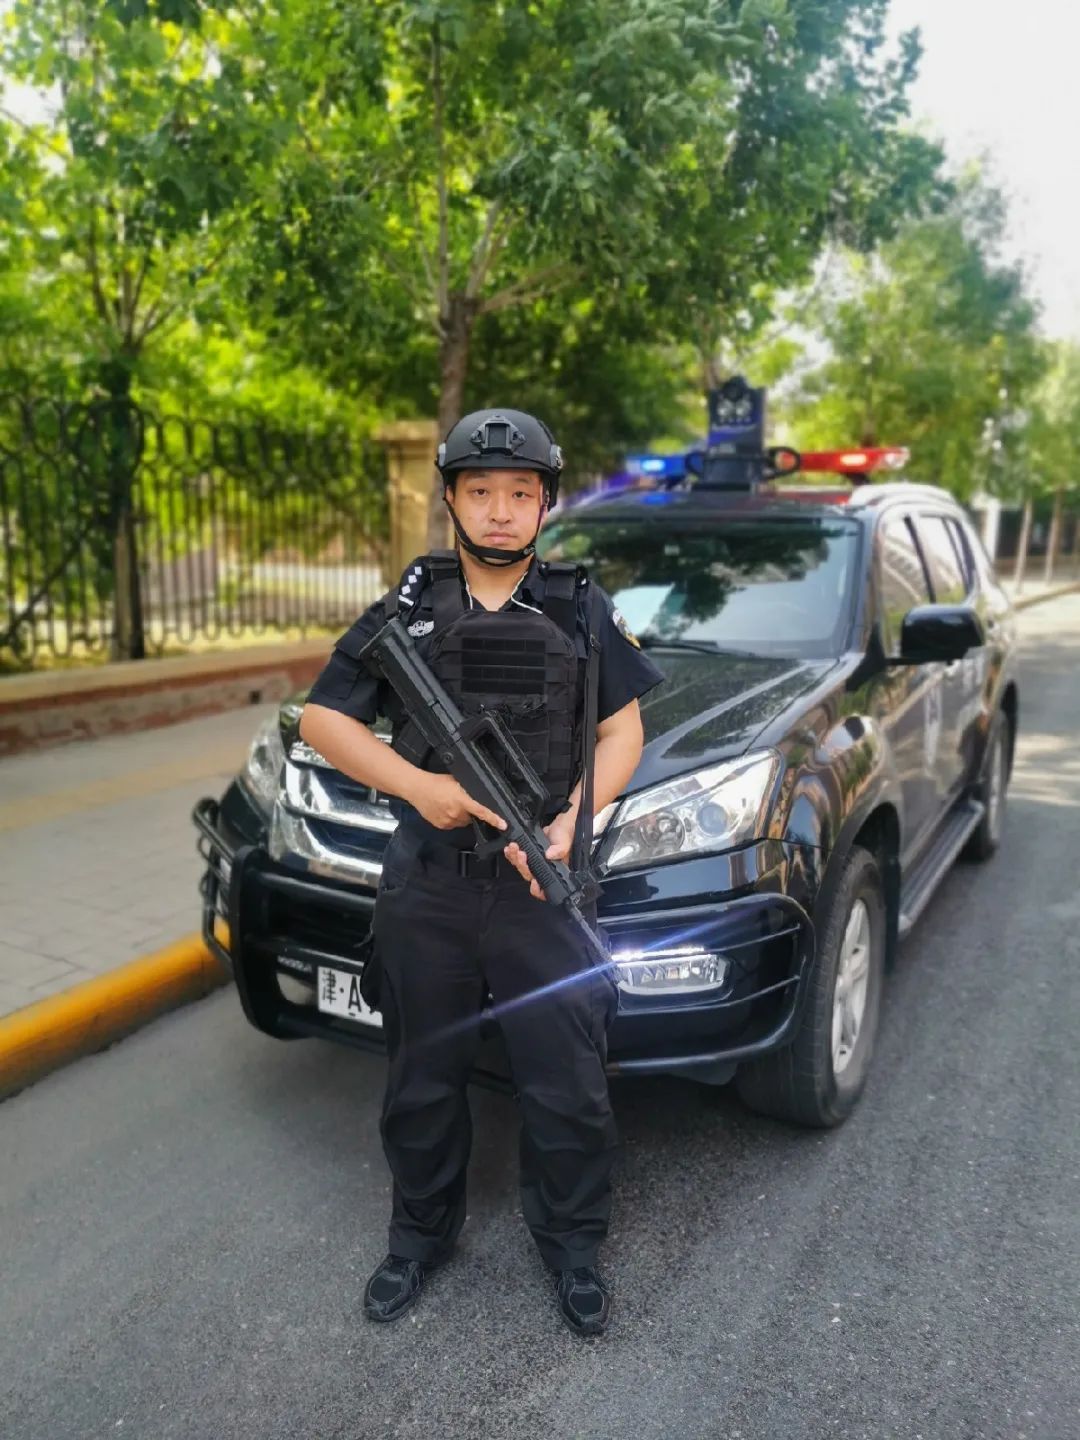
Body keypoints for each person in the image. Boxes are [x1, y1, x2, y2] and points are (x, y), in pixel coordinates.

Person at [299, 408, 662, 1337]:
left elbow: (624, 732)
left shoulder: (581, 606)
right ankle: (419, 1238)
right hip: (431, 884)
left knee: (567, 1081)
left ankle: (574, 1249)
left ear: (544, 503)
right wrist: (420, 786)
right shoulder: (407, 610)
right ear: (453, 499)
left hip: (543, 886)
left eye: (520, 495)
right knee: (422, 1077)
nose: (500, 512)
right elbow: (324, 721)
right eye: (480, 493)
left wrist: (577, 821)